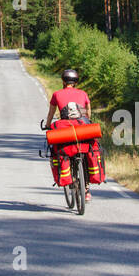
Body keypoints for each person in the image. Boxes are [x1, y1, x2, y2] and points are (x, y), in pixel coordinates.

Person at [45, 68, 93, 200]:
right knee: (88, 149)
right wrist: (87, 120)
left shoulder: (57, 94)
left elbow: (50, 113)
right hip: (83, 128)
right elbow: (88, 111)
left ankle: (69, 177)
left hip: (65, 130)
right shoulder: (83, 93)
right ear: (76, 81)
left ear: (63, 81)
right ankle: (87, 188)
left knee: (59, 151)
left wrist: (48, 125)